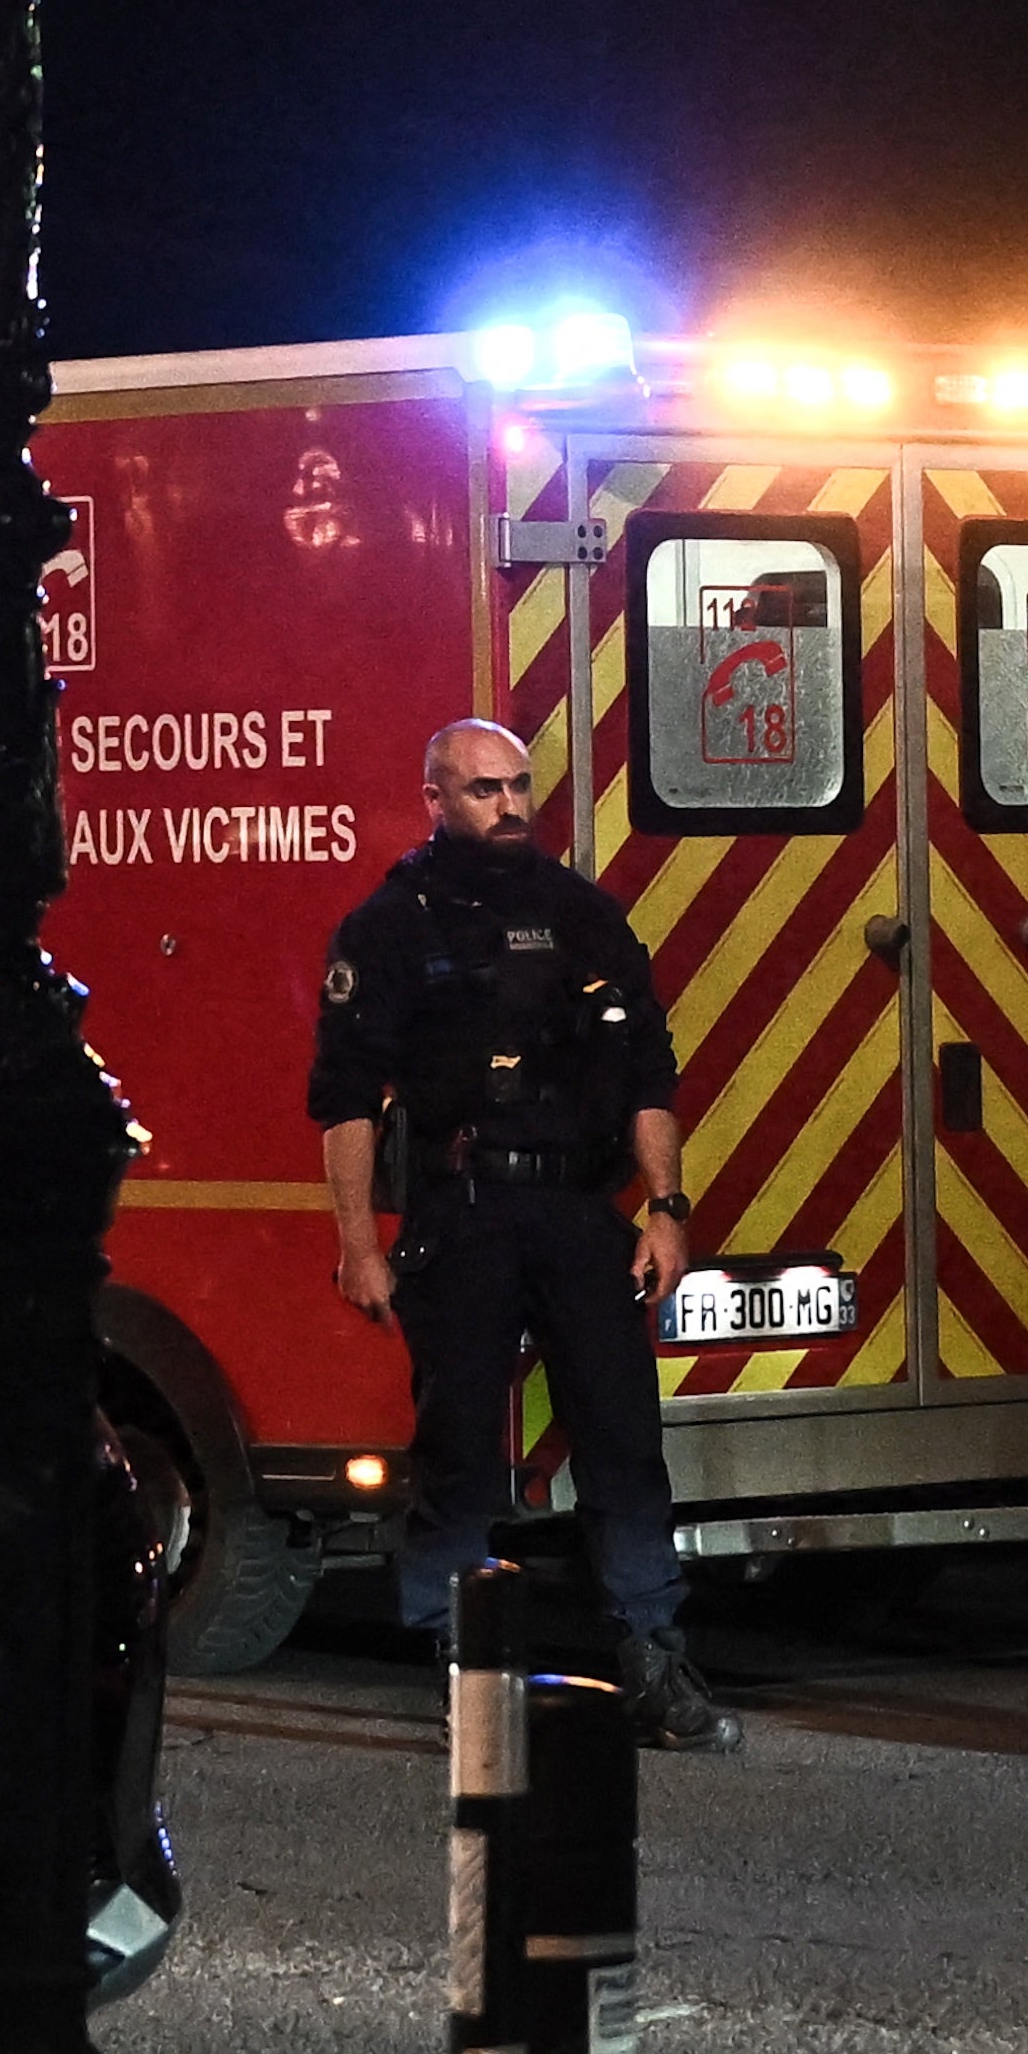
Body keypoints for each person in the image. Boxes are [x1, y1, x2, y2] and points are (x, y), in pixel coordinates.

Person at [308, 720, 735, 1754]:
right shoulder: (393, 922)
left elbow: (647, 1075)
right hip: (463, 1210)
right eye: (487, 789)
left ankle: (649, 1651)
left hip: (579, 1212)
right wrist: (360, 1241)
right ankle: (465, 1665)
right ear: (436, 797)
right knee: (458, 1449)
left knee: (625, 1438)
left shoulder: (583, 915)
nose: (511, 806)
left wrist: (667, 1210)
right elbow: (347, 1097)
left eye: (521, 787)